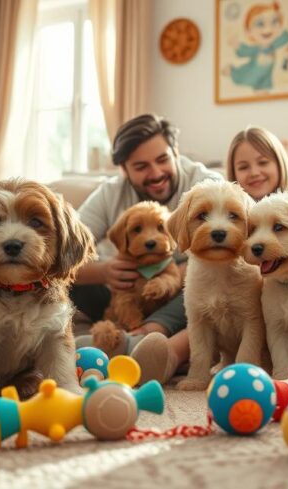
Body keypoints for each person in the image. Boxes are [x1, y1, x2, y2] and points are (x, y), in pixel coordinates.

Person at [130, 125, 288, 383]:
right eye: (243, 167)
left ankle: (167, 352)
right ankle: (151, 348)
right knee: (194, 303)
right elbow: (199, 321)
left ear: (280, 162)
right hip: (203, 280)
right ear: (234, 175)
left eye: (263, 162)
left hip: (284, 296)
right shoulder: (231, 196)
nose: (254, 172)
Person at [71, 114, 222, 383]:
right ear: (124, 170)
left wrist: (172, 274)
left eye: (162, 160)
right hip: (122, 292)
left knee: (211, 279)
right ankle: (121, 338)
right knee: (60, 276)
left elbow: (228, 248)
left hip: (183, 293)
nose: (155, 173)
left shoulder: (205, 185)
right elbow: (64, 250)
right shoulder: (110, 193)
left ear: (176, 152)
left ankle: (145, 339)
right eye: (141, 166)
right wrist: (103, 272)